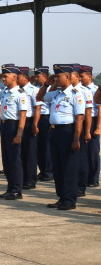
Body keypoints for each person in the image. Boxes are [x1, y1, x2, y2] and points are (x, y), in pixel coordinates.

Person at [38, 65, 85, 210]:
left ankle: (70, 200)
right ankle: (61, 197)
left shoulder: (76, 94)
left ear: (68, 77)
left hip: (68, 132)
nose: (56, 79)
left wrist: (76, 138)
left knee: (69, 167)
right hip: (54, 132)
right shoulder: (55, 93)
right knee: (57, 167)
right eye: (55, 76)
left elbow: (79, 118)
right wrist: (47, 84)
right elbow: (39, 97)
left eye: (58, 77)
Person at [0, 65, 28, 200]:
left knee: (15, 160)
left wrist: (18, 134)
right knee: (7, 160)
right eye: (3, 76)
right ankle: (10, 188)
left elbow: (23, 116)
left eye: (6, 76)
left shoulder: (20, 94)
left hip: (13, 126)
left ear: (14, 77)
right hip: (4, 126)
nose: (3, 78)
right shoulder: (5, 91)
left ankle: (17, 190)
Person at [17, 67, 39, 190]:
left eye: (18, 77)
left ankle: (30, 179)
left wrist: (35, 124)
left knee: (30, 152)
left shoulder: (33, 90)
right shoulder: (17, 90)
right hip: (20, 121)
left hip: (29, 121)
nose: (16, 79)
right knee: (21, 152)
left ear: (25, 78)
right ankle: (23, 178)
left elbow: (37, 108)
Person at [33, 67, 54, 182]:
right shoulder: (37, 89)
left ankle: (49, 171)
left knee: (46, 146)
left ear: (45, 77)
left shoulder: (51, 89)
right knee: (39, 147)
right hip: (39, 119)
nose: (36, 78)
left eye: (38, 76)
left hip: (47, 118)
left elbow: (51, 107)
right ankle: (42, 170)